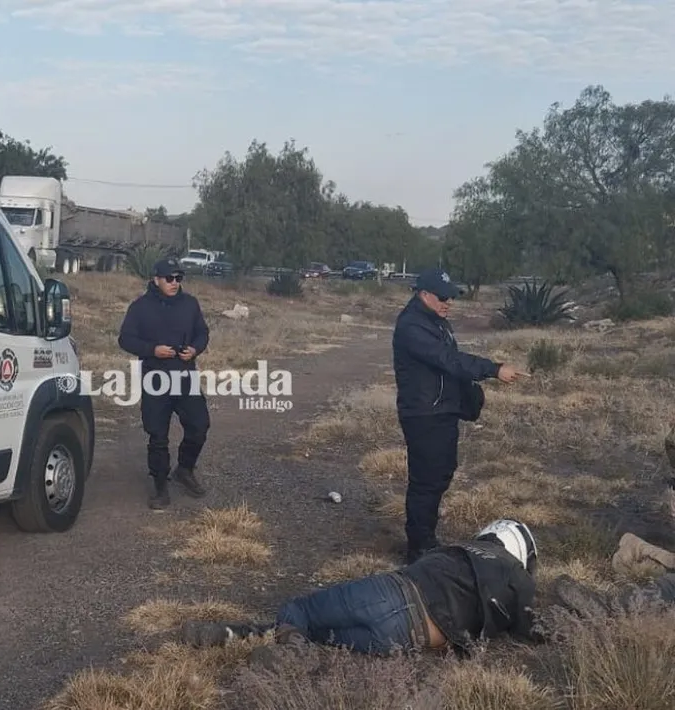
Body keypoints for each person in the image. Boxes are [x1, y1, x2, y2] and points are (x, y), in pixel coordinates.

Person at [181, 519, 541, 656]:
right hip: (409, 640)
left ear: (495, 535)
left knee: (301, 612)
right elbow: (532, 629)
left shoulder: (460, 549)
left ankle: (275, 651)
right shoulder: (519, 581)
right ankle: (238, 636)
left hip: (395, 592)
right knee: (317, 636)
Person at [392, 268, 526, 563]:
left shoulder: (436, 321)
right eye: (442, 296)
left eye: (451, 296)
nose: (448, 301)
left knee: (440, 474)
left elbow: (449, 365)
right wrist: (493, 369)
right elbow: (448, 360)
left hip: (441, 411)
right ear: (423, 294)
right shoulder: (412, 326)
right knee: (426, 481)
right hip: (424, 414)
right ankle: (419, 549)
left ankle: (426, 539)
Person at [117, 256, 211, 510]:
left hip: (185, 377)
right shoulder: (140, 307)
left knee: (199, 426)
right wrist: (152, 350)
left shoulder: (190, 304)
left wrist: (195, 349)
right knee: (158, 436)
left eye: (178, 278)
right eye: (169, 278)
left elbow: (203, 332)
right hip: (155, 379)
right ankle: (160, 487)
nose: (174, 283)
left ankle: (185, 469)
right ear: (156, 279)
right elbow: (125, 339)